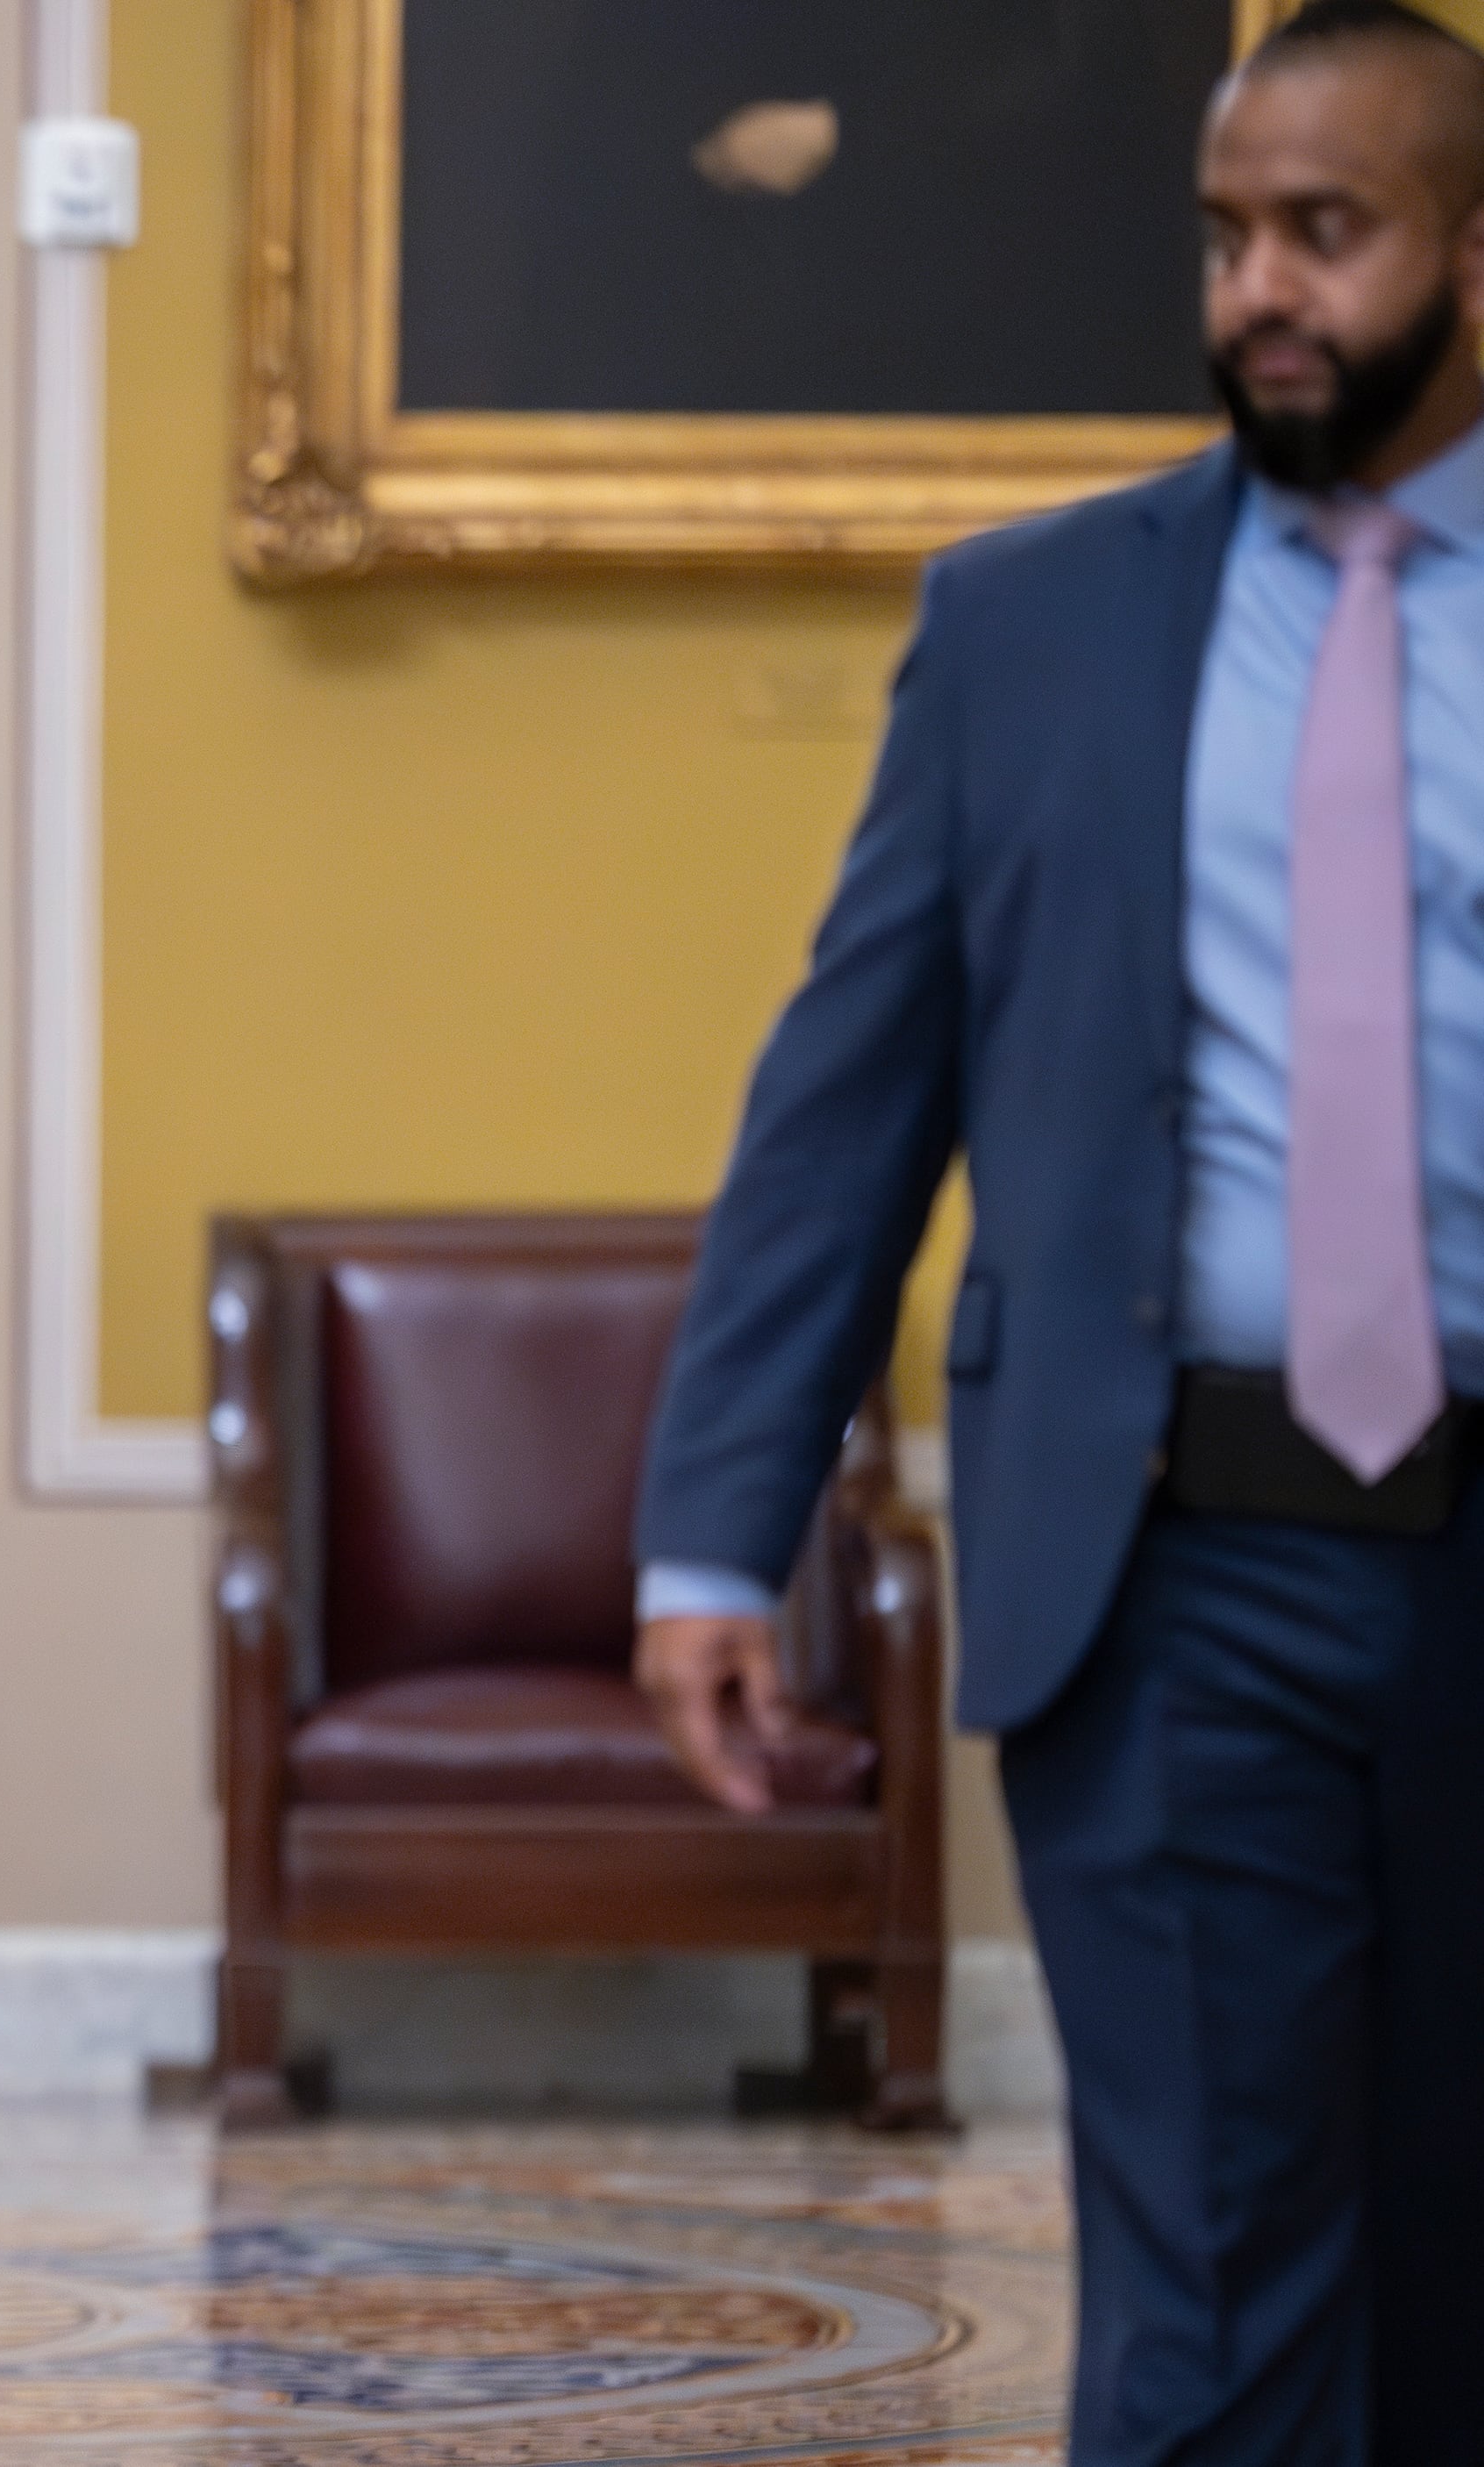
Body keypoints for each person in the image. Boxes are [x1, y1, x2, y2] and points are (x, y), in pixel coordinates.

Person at [636, 9, 1484, 2459]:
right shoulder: (1035, 626)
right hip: (1174, 1557)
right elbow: (847, 1101)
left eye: (1328, 233)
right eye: (1229, 235)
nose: (1260, 294)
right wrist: (716, 1531)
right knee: (1219, 2303)